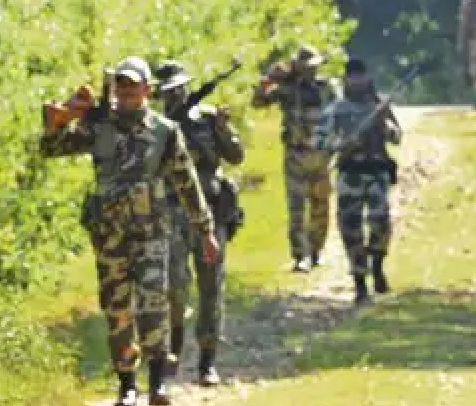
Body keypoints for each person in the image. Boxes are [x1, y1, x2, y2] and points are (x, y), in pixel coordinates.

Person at [40, 56, 219, 406]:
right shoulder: (98, 126)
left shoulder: (165, 131)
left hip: (150, 230)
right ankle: (126, 384)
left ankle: (158, 382)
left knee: (155, 303)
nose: (125, 93)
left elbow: (187, 183)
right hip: (109, 235)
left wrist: (206, 230)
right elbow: (51, 150)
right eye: (120, 87)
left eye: (132, 87)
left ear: (147, 91)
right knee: (117, 308)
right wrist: (58, 122)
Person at [155, 60, 245, 387]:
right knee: (175, 286)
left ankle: (207, 361)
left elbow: (236, 156)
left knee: (211, 286)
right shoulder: (157, 126)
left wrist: (223, 129)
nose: (175, 95)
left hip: (211, 211)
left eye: (178, 89)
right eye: (167, 91)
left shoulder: (206, 119)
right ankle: (172, 354)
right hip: (173, 213)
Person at [313, 58, 402, 305]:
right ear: (346, 80)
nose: (358, 82)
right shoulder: (336, 110)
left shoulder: (379, 105)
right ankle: (360, 280)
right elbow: (318, 141)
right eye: (353, 77)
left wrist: (384, 122)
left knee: (380, 221)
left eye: (361, 77)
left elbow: (397, 137)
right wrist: (340, 145)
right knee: (350, 228)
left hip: (377, 173)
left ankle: (377, 263)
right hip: (350, 174)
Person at [252, 45, 337, 272]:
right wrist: (268, 79)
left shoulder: (328, 88)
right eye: (305, 66)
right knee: (297, 208)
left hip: (321, 155)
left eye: (312, 66)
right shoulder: (287, 89)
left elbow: (338, 116)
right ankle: (300, 255)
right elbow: (258, 102)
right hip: (295, 155)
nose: (309, 71)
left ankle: (316, 251)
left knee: (321, 206)